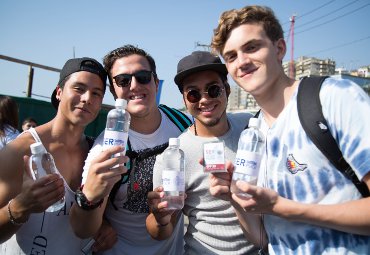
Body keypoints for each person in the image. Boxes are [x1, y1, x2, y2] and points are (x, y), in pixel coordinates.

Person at [209, 5, 370, 255]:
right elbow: (263, 239)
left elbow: (279, 210)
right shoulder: (253, 134)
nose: (242, 62)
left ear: (279, 48)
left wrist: (282, 207)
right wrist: (235, 199)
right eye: (231, 56)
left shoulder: (334, 97)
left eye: (252, 47)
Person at [70, 44, 192, 255]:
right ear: (113, 91)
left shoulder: (184, 123)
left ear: (155, 81)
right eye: (123, 81)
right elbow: (81, 228)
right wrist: (90, 198)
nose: (134, 86)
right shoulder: (106, 150)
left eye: (143, 76)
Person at [0, 57, 120, 255]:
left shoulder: (97, 154)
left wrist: (102, 224)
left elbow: (83, 220)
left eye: (96, 93)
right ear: (59, 92)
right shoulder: (21, 150)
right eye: (79, 88)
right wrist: (21, 207)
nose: (87, 98)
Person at [145, 51, 258, 254]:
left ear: (227, 90)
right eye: (194, 93)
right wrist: (160, 219)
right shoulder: (173, 156)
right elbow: (160, 231)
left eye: (213, 89)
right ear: (185, 100)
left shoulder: (251, 127)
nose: (204, 100)